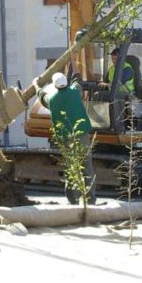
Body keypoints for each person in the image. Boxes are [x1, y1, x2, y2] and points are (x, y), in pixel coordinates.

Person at [37, 72, 96, 205]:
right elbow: (78, 82)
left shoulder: (52, 99)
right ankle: (90, 200)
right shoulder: (75, 92)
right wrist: (76, 72)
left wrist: (37, 86)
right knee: (87, 167)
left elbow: (42, 96)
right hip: (82, 135)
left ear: (55, 86)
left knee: (71, 169)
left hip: (66, 138)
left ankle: (73, 200)